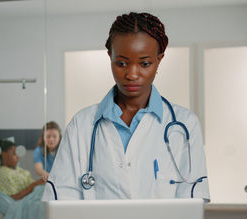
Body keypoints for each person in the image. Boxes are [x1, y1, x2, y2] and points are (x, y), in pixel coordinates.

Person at [43, 12, 210, 201]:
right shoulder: (81, 124)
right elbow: (62, 200)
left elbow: (192, 202)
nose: (132, 74)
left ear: (159, 60)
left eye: (145, 63)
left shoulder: (185, 124)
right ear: (110, 57)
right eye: (121, 63)